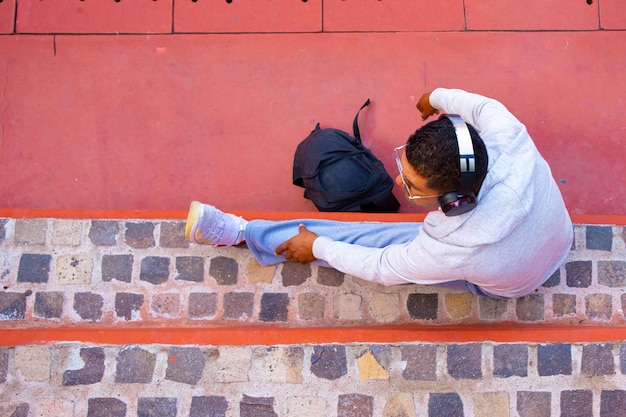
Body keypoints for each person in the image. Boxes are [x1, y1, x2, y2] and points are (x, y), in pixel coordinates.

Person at [185, 88, 573, 299]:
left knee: (370, 240)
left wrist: (317, 247)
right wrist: (434, 98)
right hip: (560, 240)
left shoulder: (452, 242)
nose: (400, 186)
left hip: (507, 286)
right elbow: (480, 104)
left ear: (456, 201)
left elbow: (382, 268)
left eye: (413, 187)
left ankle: (243, 233)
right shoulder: (510, 135)